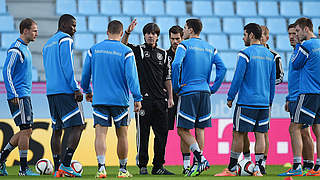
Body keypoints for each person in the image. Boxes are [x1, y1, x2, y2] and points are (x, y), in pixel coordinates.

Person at [81, 20, 142, 178]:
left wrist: (87, 90)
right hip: (119, 100)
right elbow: (132, 78)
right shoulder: (126, 51)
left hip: (100, 99)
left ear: (107, 31)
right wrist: (137, 97)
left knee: (100, 134)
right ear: (121, 33)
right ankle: (122, 170)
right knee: (122, 134)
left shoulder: (93, 50)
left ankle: (101, 168)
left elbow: (85, 75)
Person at [215, 23, 275, 177]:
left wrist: (230, 97)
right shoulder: (270, 55)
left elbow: (238, 78)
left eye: (244, 35)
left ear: (251, 36)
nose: (243, 38)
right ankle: (259, 168)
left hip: (247, 102)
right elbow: (271, 81)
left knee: (238, 134)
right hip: (264, 103)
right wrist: (270, 101)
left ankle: (232, 168)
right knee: (260, 134)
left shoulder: (245, 53)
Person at [172, 18, 226, 177]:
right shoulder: (210, 48)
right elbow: (222, 68)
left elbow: (176, 65)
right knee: (200, 128)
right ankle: (197, 165)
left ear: (189, 29)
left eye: (184, 28)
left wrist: (176, 86)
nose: (183, 31)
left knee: (182, 129)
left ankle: (200, 159)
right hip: (204, 91)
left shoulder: (184, 45)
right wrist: (213, 88)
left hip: (188, 91)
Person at [122, 19, 174, 175]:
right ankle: (142, 165)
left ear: (157, 36)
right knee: (143, 134)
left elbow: (167, 78)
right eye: (148, 33)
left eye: (154, 33)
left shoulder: (164, 54)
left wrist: (170, 97)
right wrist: (128, 32)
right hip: (144, 101)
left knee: (161, 135)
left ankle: (158, 166)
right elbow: (123, 45)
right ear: (144, 35)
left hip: (160, 101)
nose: (151, 36)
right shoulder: (139, 50)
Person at [42, 14, 85, 177]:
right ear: (63, 25)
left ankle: (57, 166)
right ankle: (66, 164)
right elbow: (67, 66)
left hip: (51, 92)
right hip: (65, 91)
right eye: (72, 25)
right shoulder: (65, 39)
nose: (74, 29)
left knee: (57, 129)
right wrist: (75, 88)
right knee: (78, 126)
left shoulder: (47, 44)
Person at [279, 17, 320, 177]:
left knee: (295, 128)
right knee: (316, 129)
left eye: (296, 32)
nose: (294, 35)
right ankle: (316, 166)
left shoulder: (304, 46)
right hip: (314, 94)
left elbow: (296, 65)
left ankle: (297, 165)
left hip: (306, 93)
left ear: (305, 29)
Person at [241, 25, 285, 174]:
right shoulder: (252, 52)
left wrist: (264, 83)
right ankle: (247, 161)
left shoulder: (274, 56)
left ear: (267, 37)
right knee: (246, 132)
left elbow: (279, 77)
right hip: (258, 98)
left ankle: (262, 163)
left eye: (265, 35)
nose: (262, 37)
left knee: (263, 133)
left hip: (263, 98)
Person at [0, 18, 39, 176]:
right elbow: (6, 71)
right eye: (34, 30)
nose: (37, 33)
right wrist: (13, 93)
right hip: (19, 95)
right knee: (25, 129)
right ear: (25, 31)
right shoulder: (16, 49)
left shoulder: (25, 48)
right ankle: (23, 169)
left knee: (26, 130)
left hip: (24, 95)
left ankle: (1, 159)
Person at [166, 25, 191, 174]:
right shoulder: (164, 55)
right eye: (172, 38)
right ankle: (158, 164)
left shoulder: (187, 54)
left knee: (184, 130)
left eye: (177, 39)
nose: (175, 41)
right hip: (168, 98)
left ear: (182, 38)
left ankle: (186, 165)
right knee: (162, 131)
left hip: (183, 95)